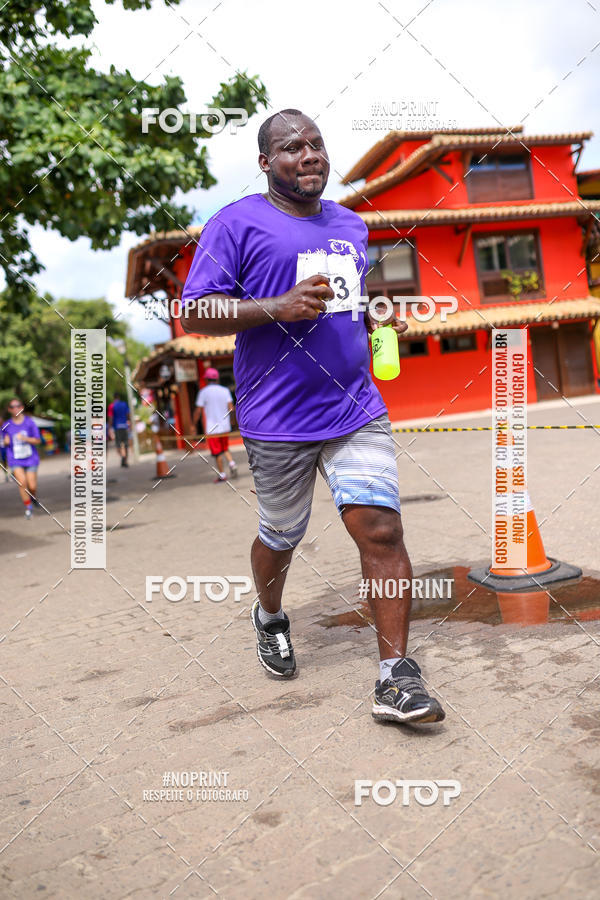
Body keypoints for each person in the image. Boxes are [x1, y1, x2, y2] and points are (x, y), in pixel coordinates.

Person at [181, 109, 444, 725]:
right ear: (267, 163)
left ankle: (395, 678)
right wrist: (276, 307)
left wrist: (373, 315)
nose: (310, 155)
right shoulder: (236, 223)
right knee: (281, 535)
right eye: (292, 148)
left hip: (354, 404)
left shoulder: (350, 225)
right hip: (276, 418)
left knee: (381, 530)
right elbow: (195, 311)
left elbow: (344, 303)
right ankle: (270, 614)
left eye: (317, 144)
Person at [193, 368, 238, 482]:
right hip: (225, 426)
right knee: (225, 448)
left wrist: (193, 424)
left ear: (207, 379)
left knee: (217, 452)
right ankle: (232, 463)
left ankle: (222, 475)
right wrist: (233, 421)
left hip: (212, 428)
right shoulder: (225, 390)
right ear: (217, 378)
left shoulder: (203, 392)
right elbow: (231, 408)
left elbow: (198, 411)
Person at [2, 398, 42, 518]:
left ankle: (33, 497)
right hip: (15, 459)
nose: (16, 408)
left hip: (31, 458)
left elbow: (38, 440)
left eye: (18, 406)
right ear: (9, 410)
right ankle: (28, 508)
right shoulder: (6, 425)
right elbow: (3, 442)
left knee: (32, 486)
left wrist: (25, 439)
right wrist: (5, 442)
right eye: (13, 407)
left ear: (22, 407)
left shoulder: (30, 422)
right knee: (22, 483)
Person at [110, 392, 130, 467]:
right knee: (125, 444)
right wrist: (128, 421)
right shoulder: (124, 404)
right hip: (124, 426)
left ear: (114, 398)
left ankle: (123, 457)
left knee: (118, 445)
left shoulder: (112, 406)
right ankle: (125, 460)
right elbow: (128, 414)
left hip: (117, 427)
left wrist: (110, 427)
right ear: (119, 397)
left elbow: (111, 418)